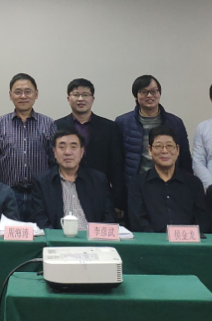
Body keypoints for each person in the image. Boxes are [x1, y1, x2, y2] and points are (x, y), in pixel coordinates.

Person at [0, 73, 56, 222]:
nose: (23, 96)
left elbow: (54, 162)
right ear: (10, 95)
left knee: (40, 233)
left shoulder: (49, 124)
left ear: (36, 94)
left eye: (28, 91)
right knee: (9, 234)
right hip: (8, 193)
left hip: (40, 195)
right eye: (18, 92)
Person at [55, 78, 125, 216]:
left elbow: (117, 166)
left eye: (85, 95)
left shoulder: (109, 127)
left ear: (92, 99)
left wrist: (117, 202)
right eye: (76, 95)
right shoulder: (57, 126)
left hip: (99, 191)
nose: (81, 99)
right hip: (65, 190)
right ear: (68, 98)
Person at [115, 75, 193, 192]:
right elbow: (117, 162)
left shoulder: (175, 122)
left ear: (159, 93)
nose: (149, 96)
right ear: (136, 95)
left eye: (154, 91)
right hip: (135, 187)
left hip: (169, 185)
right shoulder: (122, 123)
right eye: (144, 92)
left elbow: (185, 158)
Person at [127, 126, 210, 233]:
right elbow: (138, 222)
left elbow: (202, 220)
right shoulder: (138, 183)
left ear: (178, 150)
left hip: (187, 241)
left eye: (169, 146)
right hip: (151, 241)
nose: (165, 151)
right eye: (158, 146)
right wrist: (159, 240)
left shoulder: (194, 183)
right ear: (150, 150)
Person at [31, 128, 116, 230]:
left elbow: (109, 217)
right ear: (54, 152)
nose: (68, 152)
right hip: (58, 238)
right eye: (62, 147)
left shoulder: (98, 180)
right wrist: (56, 237)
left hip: (93, 238)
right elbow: (41, 219)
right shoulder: (42, 182)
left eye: (73, 147)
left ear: (82, 151)